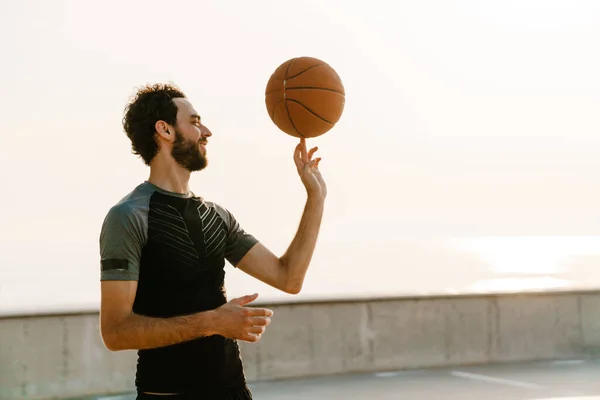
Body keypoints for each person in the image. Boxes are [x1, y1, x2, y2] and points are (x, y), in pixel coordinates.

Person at [98, 83, 327, 399]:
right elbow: (115, 332)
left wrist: (316, 197)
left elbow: (289, 277)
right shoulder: (128, 216)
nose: (205, 131)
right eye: (193, 121)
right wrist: (213, 322)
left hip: (232, 391)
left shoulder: (216, 215)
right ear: (164, 130)